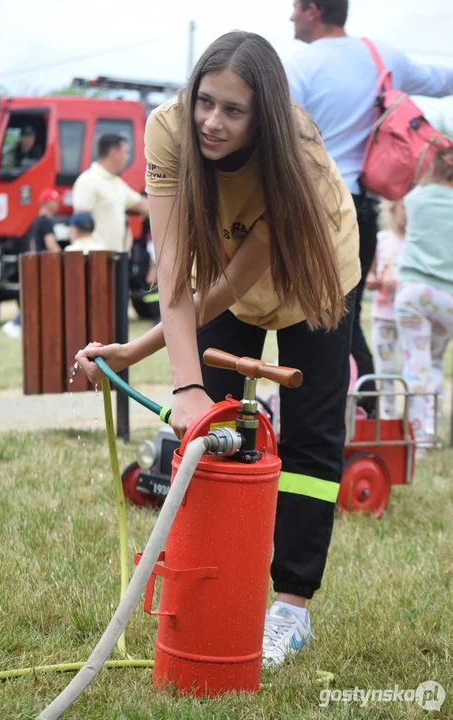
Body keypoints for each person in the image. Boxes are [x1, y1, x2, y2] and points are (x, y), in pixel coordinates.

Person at [76, 31, 360, 666]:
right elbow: (177, 272)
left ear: (263, 117)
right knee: (210, 432)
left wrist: (179, 377)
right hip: (231, 274)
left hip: (313, 275)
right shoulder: (168, 129)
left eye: (233, 111)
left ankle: (290, 608)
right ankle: (211, 578)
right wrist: (150, 363)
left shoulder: (301, 163)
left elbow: (236, 284)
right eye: (206, 101)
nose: (211, 121)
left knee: (309, 440)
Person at [287, 0, 453, 413]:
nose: (289, 17)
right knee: (346, 313)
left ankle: (337, 407)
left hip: (315, 204)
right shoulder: (383, 56)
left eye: (293, 8)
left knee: (308, 316)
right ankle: (367, 405)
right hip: (362, 207)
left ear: (312, 10)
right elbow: (442, 80)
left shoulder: (298, 66)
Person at [395, 147, 453, 446]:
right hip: (448, 299)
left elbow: (401, 223)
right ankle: (433, 428)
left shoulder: (416, 198)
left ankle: (420, 436)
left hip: (414, 293)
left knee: (415, 363)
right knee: (433, 362)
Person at [72, 134, 149, 252]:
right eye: (125, 152)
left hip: (113, 259)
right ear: (113, 153)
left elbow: (144, 206)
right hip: (95, 260)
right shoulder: (88, 180)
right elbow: (79, 226)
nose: (127, 157)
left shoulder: (117, 183)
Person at [2, 188, 61, 339]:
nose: (58, 204)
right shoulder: (46, 221)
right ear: (48, 203)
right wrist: (64, 256)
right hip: (47, 265)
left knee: (38, 298)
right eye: (55, 201)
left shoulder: (36, 220)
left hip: (38, 264)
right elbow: (51, 244)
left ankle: (20, 324)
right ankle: (16, 323)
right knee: (42, 299)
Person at [365, 200, 406, 418]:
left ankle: (410, 416)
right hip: (383, 315)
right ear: (393, 210)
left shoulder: (416, 243)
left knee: (410, 367)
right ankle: (388, 416)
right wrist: (373, 280)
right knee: (385, 368)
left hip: (409, 318)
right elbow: (370, 272)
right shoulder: (382, 240)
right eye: (404, 208)